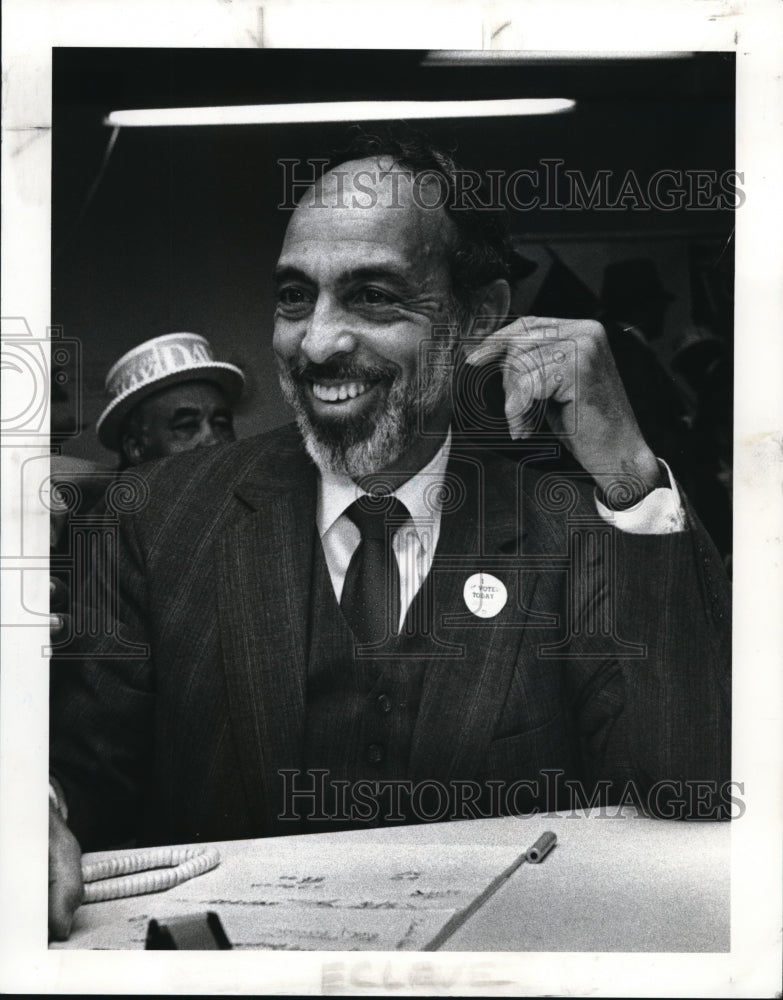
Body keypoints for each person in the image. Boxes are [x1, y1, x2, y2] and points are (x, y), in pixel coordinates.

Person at [48, 133, 730, 940]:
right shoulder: (153, 519)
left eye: (373, 297)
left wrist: (626, 470)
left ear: (479, 316)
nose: (317, 343)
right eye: (295, 297)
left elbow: (691, 788)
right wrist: (35, 808)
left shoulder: (572, 517)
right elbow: (79, 772)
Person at [49, 332, 245, 640]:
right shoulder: (98, 533)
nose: (214, 440)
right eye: (186, 426)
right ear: (136, 447)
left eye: (222, 423)